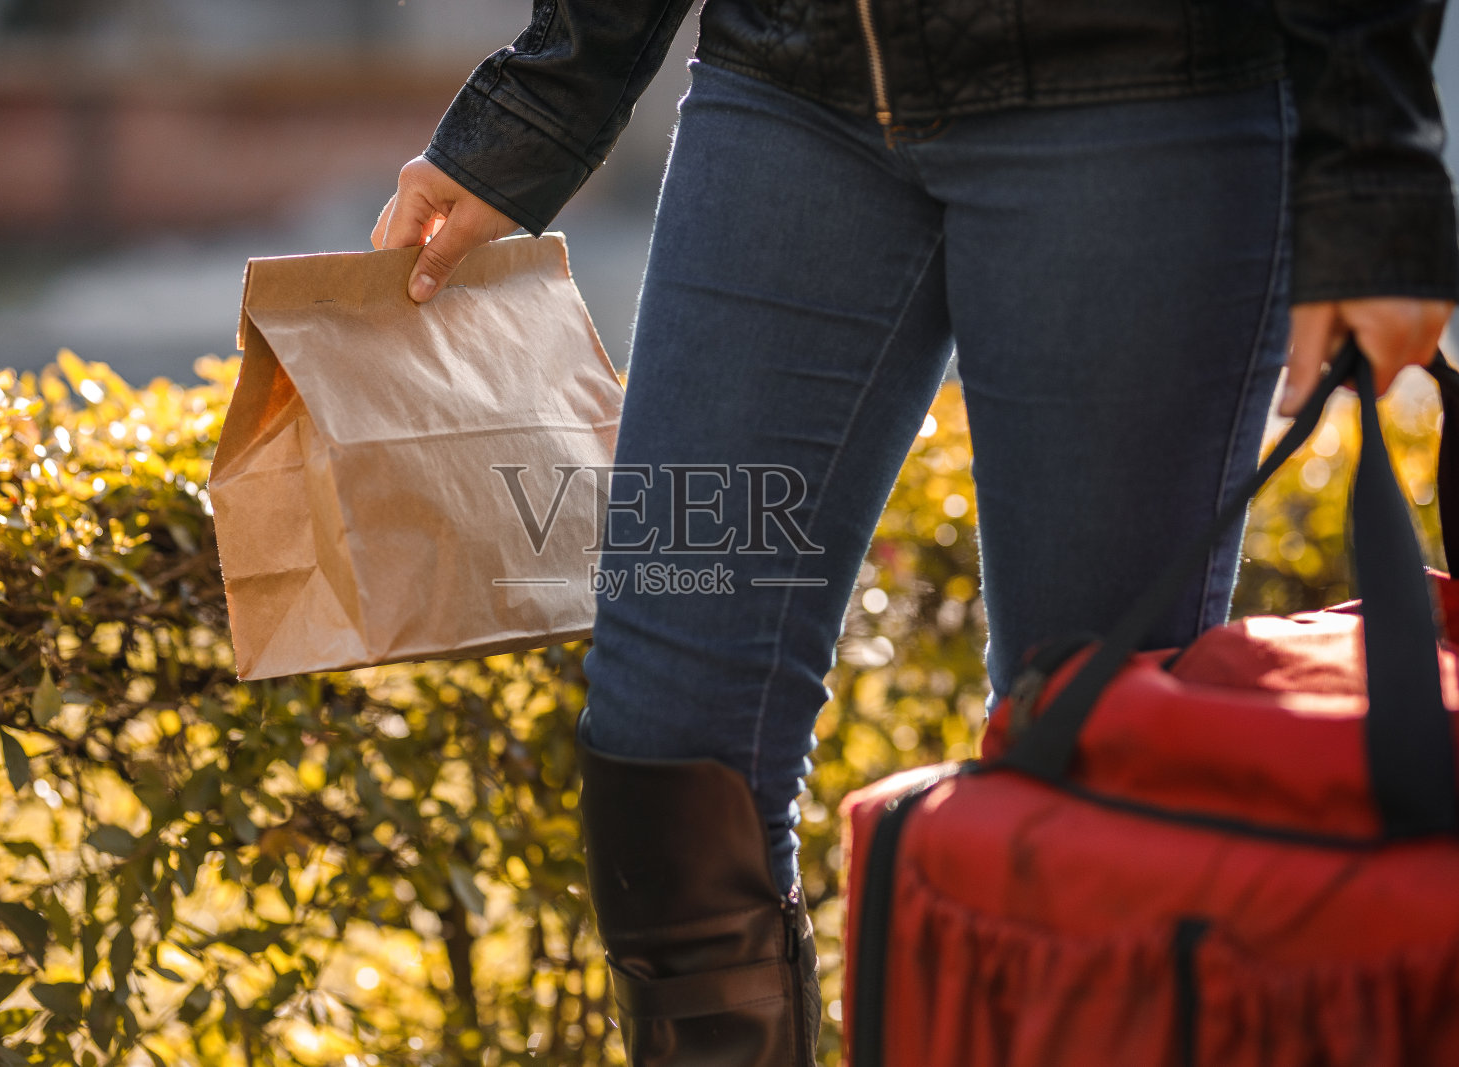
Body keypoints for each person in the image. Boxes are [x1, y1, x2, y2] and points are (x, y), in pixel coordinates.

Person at [372, 3, 1458, 1063]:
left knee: (1089, 756)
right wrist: (545, 97)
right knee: (664, 760)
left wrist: (1373, 164)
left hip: (1136, 99)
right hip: (790, 82)